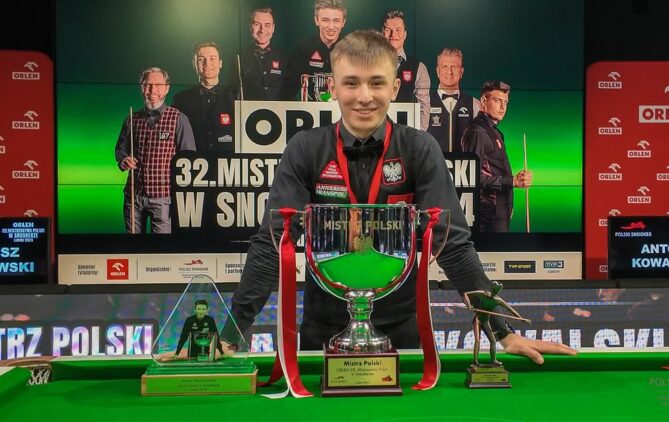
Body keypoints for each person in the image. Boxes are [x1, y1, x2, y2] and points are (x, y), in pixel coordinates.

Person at [229, 30, 575, 364]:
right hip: (323, 331)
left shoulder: (419, 148)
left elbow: (452, 243)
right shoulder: (305, 149)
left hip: (401, 332)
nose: (364, 96)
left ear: (395, 88)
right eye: (351, 83)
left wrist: (503, 332)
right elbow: (273, 242)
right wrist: (231, 334)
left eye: (377, 83)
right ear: (333, 87)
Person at [115, 67, 196, 234]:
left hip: (164, 198)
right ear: (141, 88)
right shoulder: (131, 119)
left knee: (161, 246)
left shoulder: (179, 119)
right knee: (132, 245)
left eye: (158, 85)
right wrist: (124, 160)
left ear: (167, 88)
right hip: (133, 196)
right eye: (147, 85)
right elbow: (121, 149)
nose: (152, 90)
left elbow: (188, 159)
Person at [461, 81, 532, 232]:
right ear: (483, 101)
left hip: (500, 212)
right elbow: (471, 178)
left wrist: (508, 204)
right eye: (497, 100)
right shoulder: (476, 131)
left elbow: (496, 170)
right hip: (487, 215)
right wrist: (512, 181)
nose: (502, 107)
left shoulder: (496, 132)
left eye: (505, 102)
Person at [172, 42, 236, 152]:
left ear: (220, 63)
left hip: (227, 161)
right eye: (201, 59)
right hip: (192, 160)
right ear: (194, 64)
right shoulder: (180, 99)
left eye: (212, 58)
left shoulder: (236, 96)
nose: (207, 63)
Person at [287, 0, 346, 101]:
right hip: (311, 107)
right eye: (325, 20)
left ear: (343, 22)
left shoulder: (352, 49)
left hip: (342, 108)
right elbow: (290, 87)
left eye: (336, 21)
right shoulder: (303, 48)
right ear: (316, 20)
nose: (331, 27)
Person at [381, 9, 430, 131]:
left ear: (405, 34)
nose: (393, 35)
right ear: (382, 33)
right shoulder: (370, 63)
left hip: (405, 134)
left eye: (398, 30)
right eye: (388, 30)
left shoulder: (419, 67)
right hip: (376, 132)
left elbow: (424, 106)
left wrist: (419, 135)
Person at [427, 48, 481, 153]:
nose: (449, 72)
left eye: (454, 67)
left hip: (465, 162)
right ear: (437, 71)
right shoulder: (423, 102)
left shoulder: (475, 105)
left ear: (461, 72)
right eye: (444, 67)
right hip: (431, 163)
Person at [238, 8, 289, 101]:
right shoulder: (238, 58)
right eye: (257, 24)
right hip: (249, 110)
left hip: (277, 110)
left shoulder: (284, 58)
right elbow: (232, 93)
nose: (262, 30)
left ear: (273, 28)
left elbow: (290, 92)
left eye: (267, 25)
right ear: (250, 27)